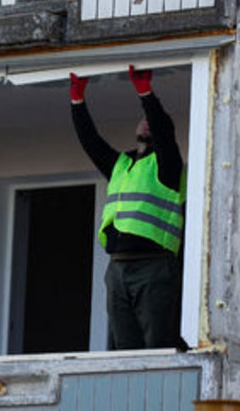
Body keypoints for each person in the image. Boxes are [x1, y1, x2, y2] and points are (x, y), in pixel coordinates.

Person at [69, 66, 186, 350]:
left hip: (154, 265)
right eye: (142, 118)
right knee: (124, 347)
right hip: (118, 267)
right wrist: (77, 100)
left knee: (158, 343)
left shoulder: (167, 165)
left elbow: (163, 132)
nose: (146, 121)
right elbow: (90, 141)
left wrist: (146, 94)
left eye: (153, 121)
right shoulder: (121, 164)